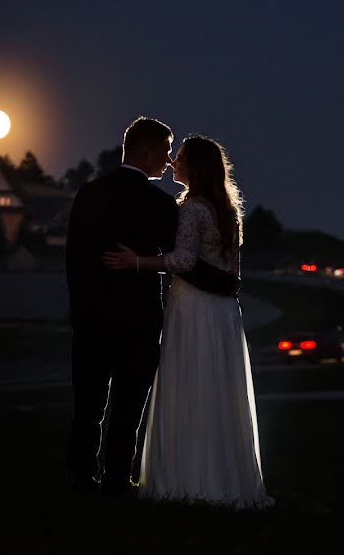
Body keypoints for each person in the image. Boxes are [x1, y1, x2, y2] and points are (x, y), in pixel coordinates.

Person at [65, 117, 238, 498]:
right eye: (164, 150)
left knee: (88, 405)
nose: (168, 160)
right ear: (145, 151)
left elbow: (74, 260)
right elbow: (184, 259)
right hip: (139, 321)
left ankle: (80, 478)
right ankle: (115, 481)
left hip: (90, 318)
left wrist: (77, 311)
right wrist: (225, 284)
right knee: (127, 408)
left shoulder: (89, 193)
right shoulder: (160, 204)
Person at [102, 135, 272, 508]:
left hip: (193, 307)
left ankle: (185, 480)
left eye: (178, 157)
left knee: (190, 383)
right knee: (215, 389)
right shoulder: (227, 210)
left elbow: (181, 262)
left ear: (194, 166)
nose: (172, 162)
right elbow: (233, 275)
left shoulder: (193, 208)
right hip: (223, 313)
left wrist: (137, 262)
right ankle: (222, 479)